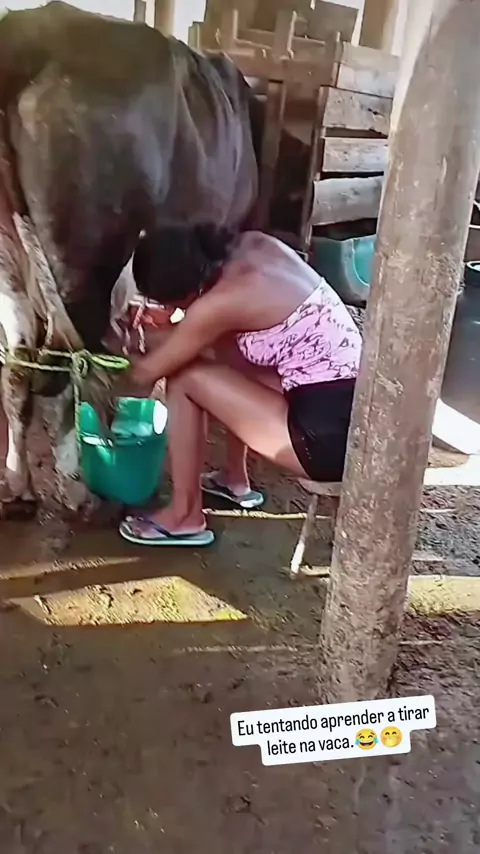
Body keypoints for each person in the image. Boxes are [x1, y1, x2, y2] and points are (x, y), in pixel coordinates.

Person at [119, 226, 361, 547]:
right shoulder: (256, 246)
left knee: (185, 377)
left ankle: (184, 517)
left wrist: (117, 345)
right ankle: (234, 479)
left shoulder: (217, 306)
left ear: (186, 293)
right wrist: (175, 318)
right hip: (356, 418)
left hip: (326, 444)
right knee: (223, 349)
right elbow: (213, 333)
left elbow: (144, 375)